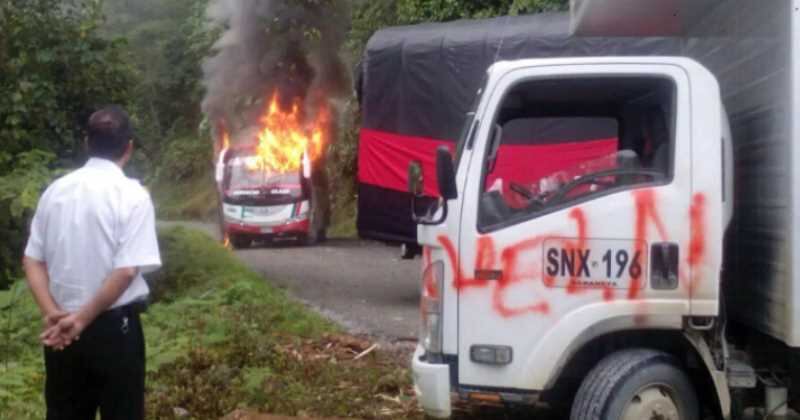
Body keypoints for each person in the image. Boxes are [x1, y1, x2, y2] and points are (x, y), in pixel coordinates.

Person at [23, 105, 161, 420]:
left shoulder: (55, 191)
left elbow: (32, 259)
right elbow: (126, 270)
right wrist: (82, 321)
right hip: (114, 330)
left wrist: (52, 314)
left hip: (60, 331)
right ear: (129, 147)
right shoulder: (132, 195)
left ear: (87, 143)